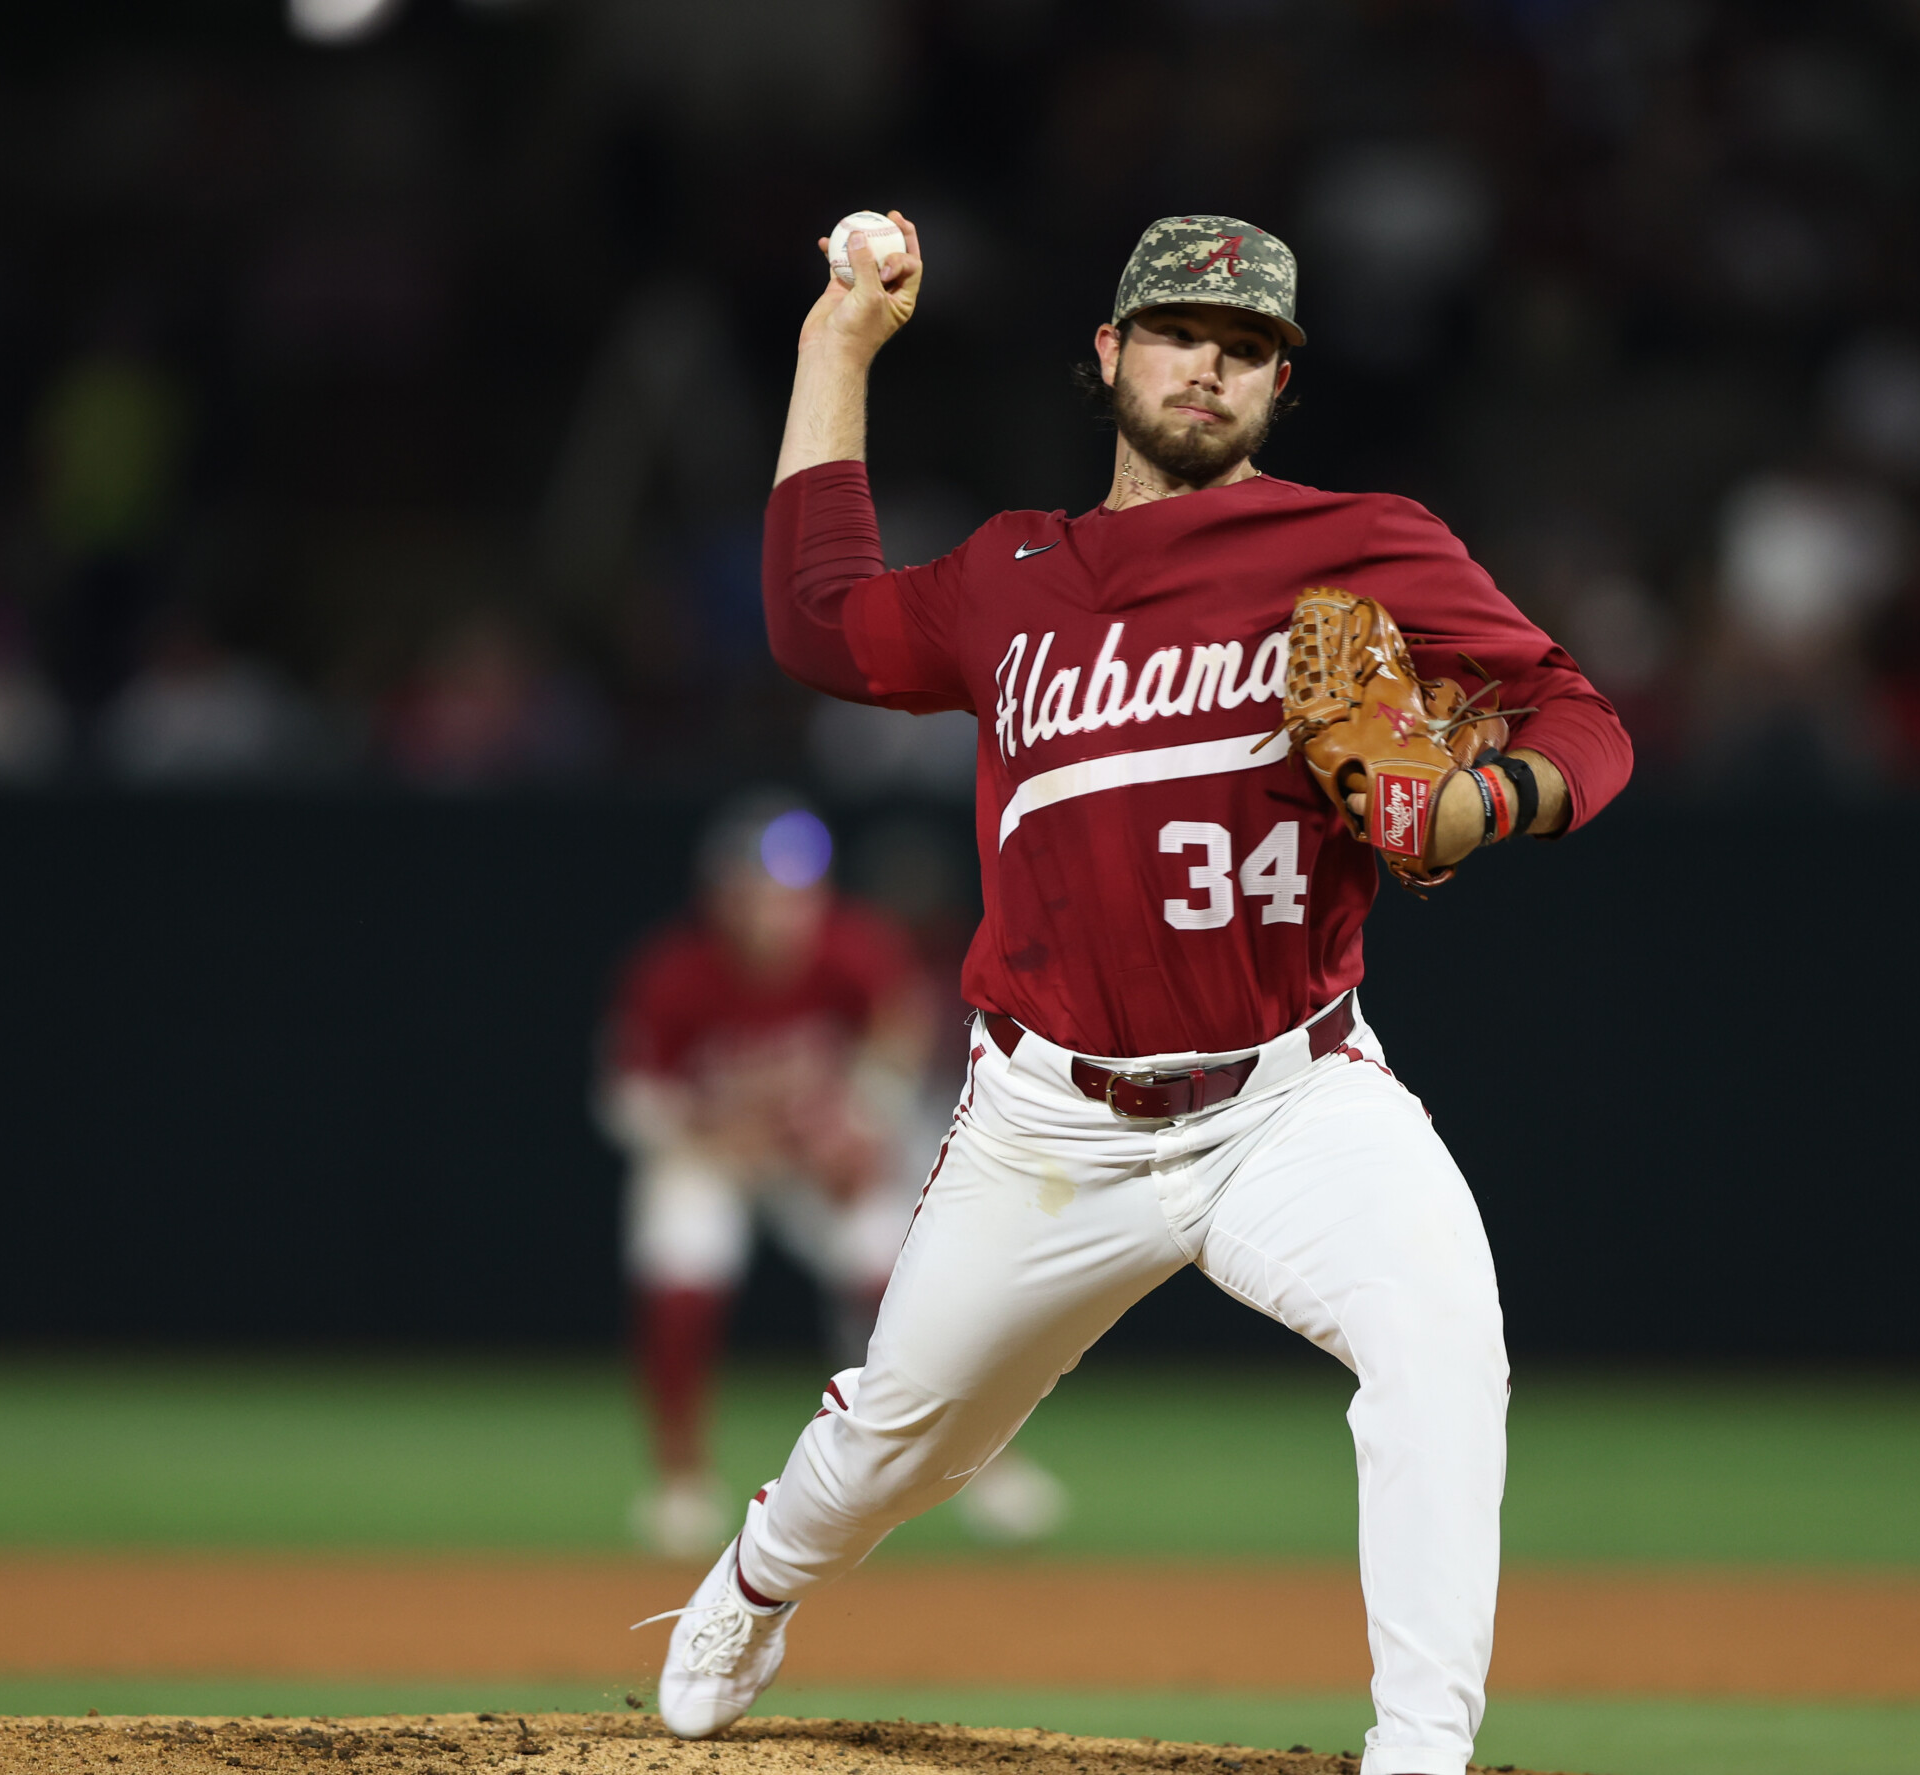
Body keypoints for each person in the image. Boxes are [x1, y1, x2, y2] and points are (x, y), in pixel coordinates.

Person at [643, 215, 1633, 1775]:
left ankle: (1421, 1749)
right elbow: (815, 622)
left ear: (1280, 383)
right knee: (904, 1444)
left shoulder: (1363, 540)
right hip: (1049, 1120)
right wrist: (836, 348)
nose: (1210, 365)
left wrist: (1491, 799)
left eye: (1246, 347)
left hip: (1293, 1092)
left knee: (1445, 1341)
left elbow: (1580, 713)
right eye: (1180, 333)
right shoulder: (1007, 575)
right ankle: (754, 1579)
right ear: (1111, 355)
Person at [601, 791, 1067, 1556]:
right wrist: (713, 1134)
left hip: (819, 1153)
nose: (774, 910)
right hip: (715, 1156)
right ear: (720, 895)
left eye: (790, 892)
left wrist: (856, 1121)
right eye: (755, 890)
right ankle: (679, 1476)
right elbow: (628, 1097)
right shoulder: (674, 970)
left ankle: (985, 1466)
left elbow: (900, 1040)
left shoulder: (853, 947)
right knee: (681, 1262)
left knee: (899, 1281)